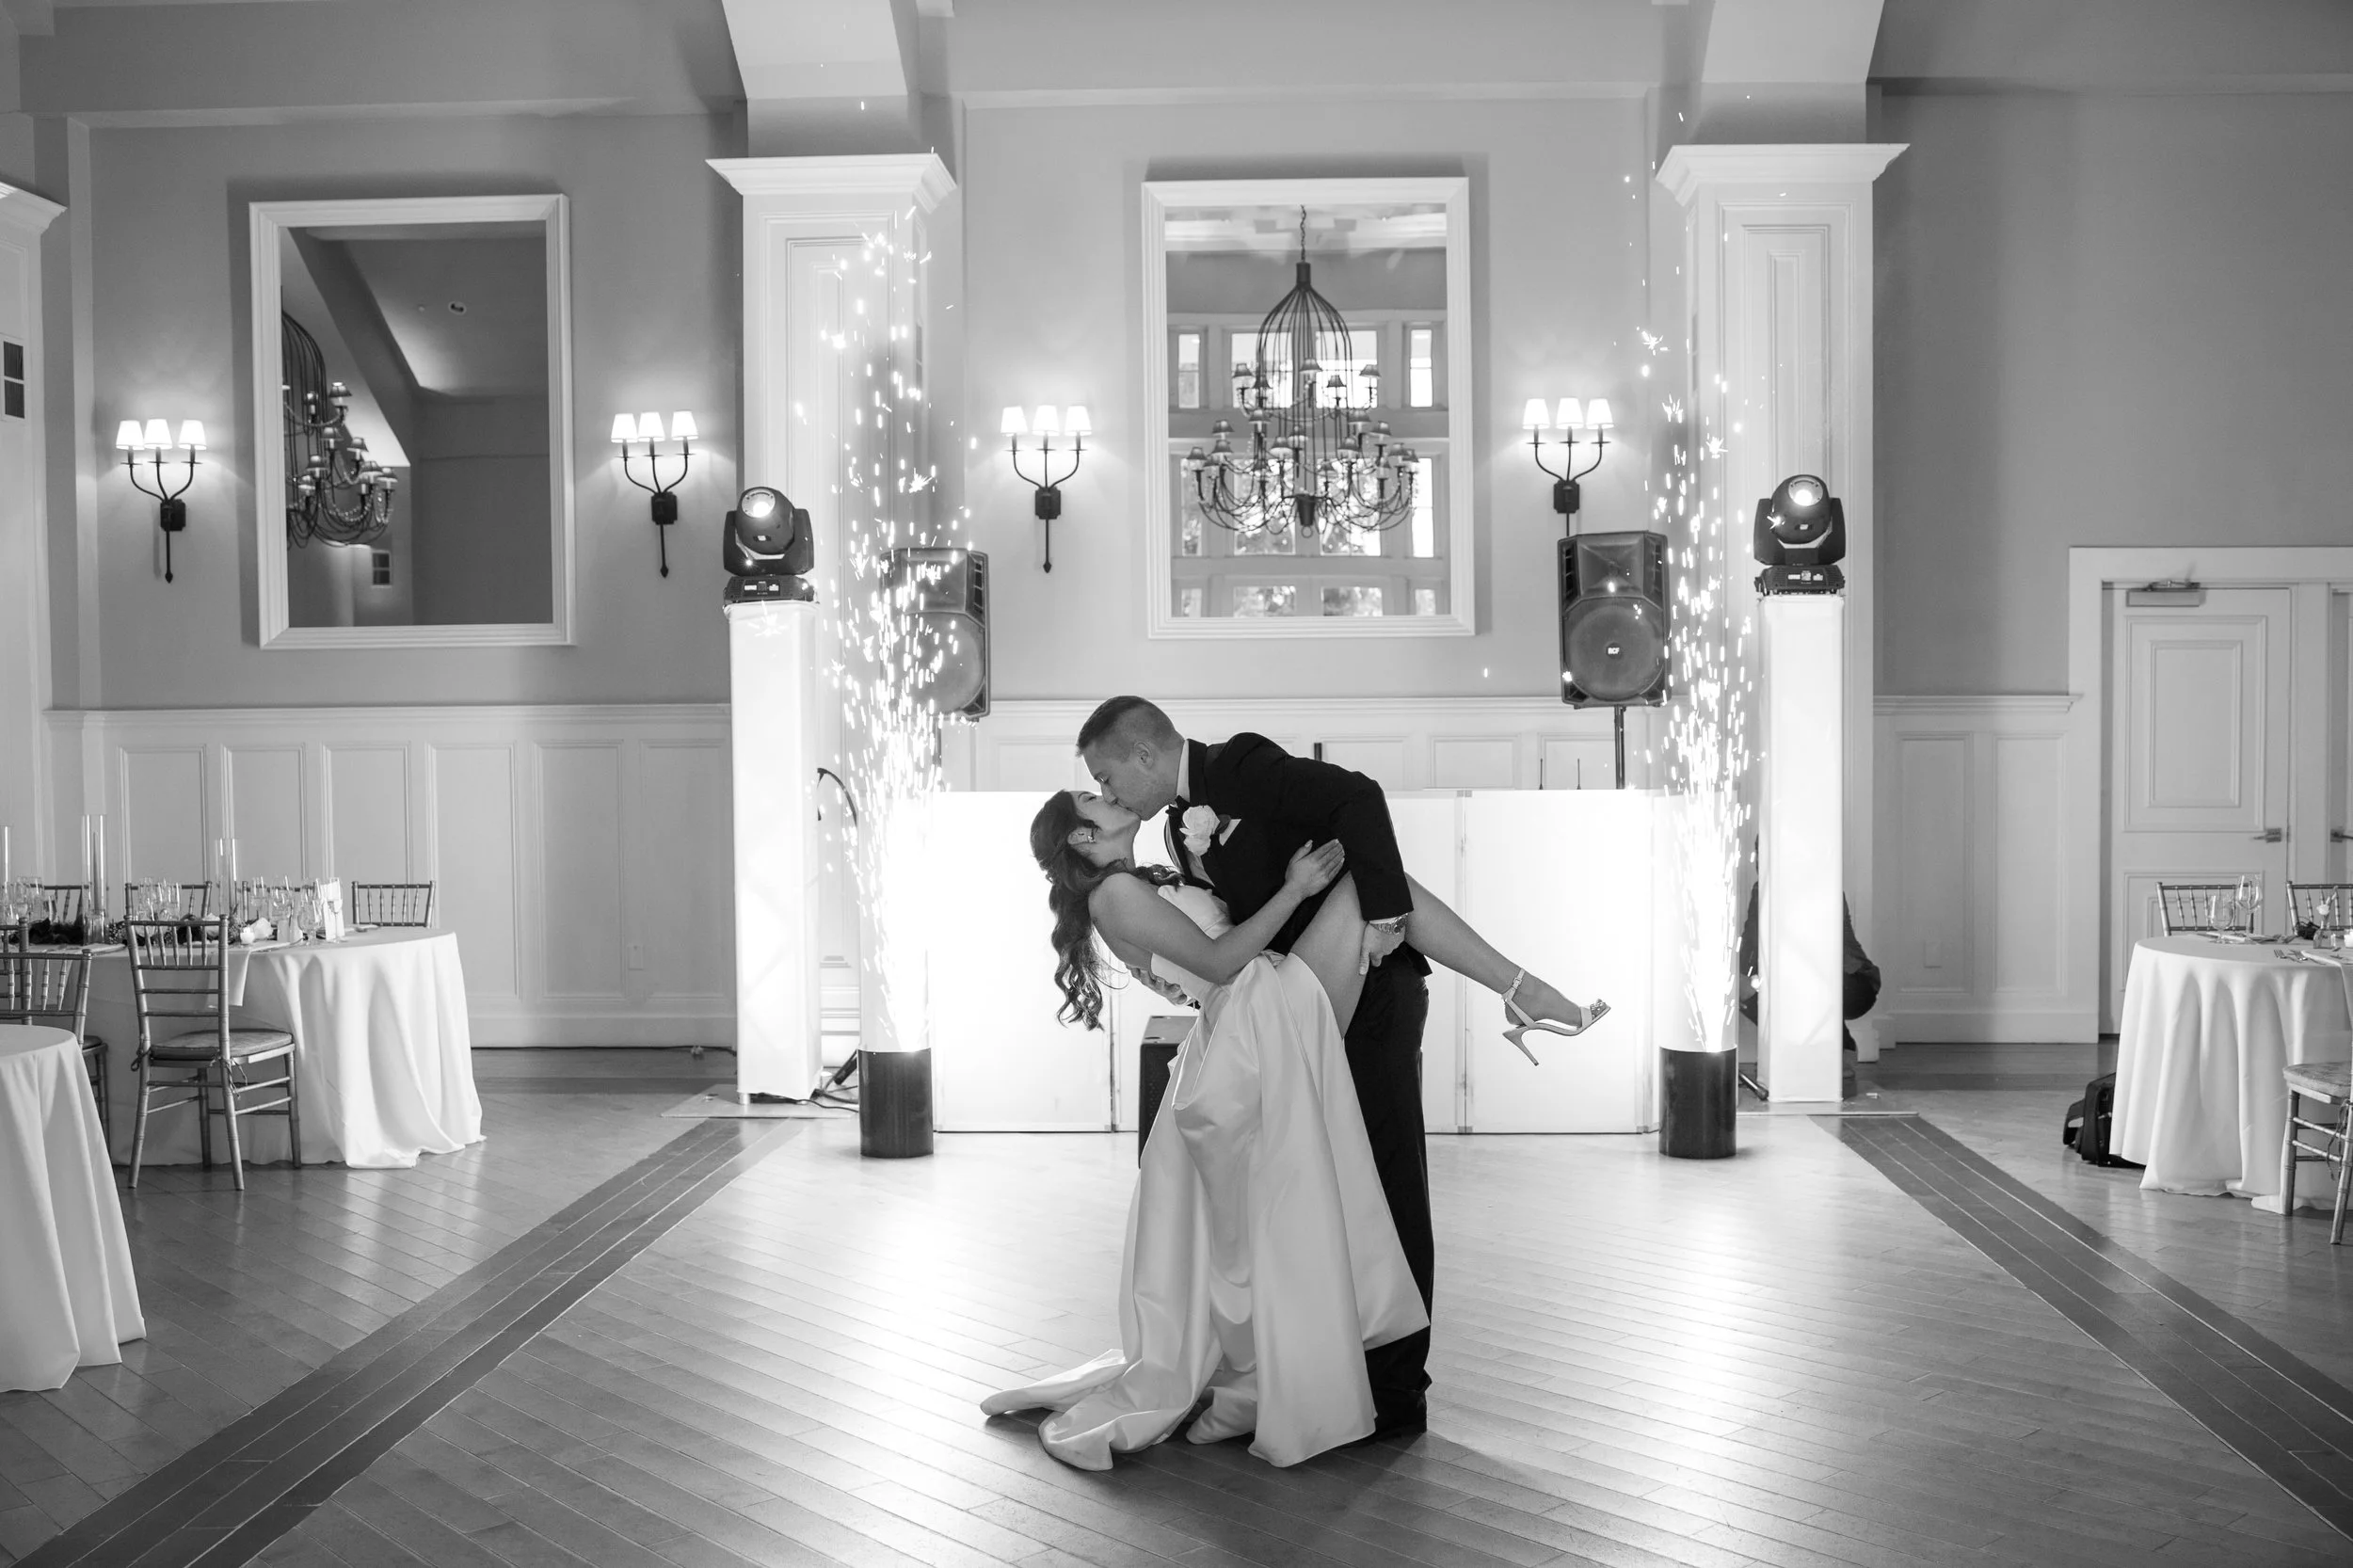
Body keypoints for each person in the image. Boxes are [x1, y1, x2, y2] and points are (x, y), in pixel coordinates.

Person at [982, 697, 1603, 1468]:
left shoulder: (1201, 804)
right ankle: (1522, 990)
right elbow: (1212, 959)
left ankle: (1520, 992)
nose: (1109, 793)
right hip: (1257, 1012)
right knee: (1369, 897)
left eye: (1105, 777)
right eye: (1096, 794)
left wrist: (1324, 905)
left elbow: (1339, 815)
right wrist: (1303, 888)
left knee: (1366, 1178)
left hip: (1277, 1006)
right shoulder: (1127, 883)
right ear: (1084, 837)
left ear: (1143, 756)